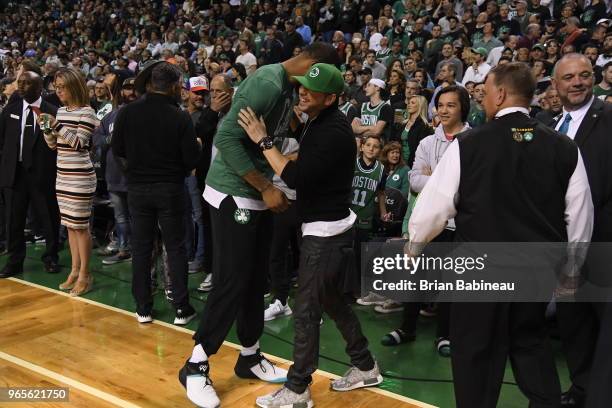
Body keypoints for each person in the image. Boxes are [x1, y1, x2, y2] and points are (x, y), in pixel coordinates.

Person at [407, 62, 593, 408]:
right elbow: (580, 215)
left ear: (501, 93)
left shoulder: (469, 143)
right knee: (531, 346)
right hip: (534, 272)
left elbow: (434, 207)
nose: (483, 99)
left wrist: (413, 245)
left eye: (486, 92)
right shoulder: (565, 147)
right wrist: (570, 268)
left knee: (475, 357)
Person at [178, 43, 340, 408]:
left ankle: (249, 355)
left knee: (254, 280)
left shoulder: (286, 88)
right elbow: (225, 139)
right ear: (312, 64)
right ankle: (195, 364)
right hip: (235, 193)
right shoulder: (267, 82)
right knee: (233, 279)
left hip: (255, 193)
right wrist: (266, 186)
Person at [237, 62, 382, 408]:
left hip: (326, 234)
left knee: (305, 310)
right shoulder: (322, 122)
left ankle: (299, 389)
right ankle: (365, 365)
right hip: (326, 227)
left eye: (310, 90)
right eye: (301, 85)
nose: (302, 91)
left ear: (330, 98)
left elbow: (297, 176)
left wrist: (263, 141)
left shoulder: (333, 132)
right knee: (330, 299)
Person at [111, 61, 200, 325]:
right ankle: (182, 308)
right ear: (173, 87)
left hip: (138, 189)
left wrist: (134, 175)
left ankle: (143, 307)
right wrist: (196, 147)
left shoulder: (127, 112)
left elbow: (118, 151)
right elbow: (191, 160)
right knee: (175, 248)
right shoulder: (179, 116)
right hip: (170, 189)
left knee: (141, 247)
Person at [551, 53, 612, 408]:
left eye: (584, 75)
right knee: (574, 324)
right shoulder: (548, 124)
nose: (577, 82)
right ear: (555, 85)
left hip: (602, 241)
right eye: (569, 77)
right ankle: (582, 388)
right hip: (562, 243)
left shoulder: (608, 118)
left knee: (603, 323)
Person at [39, 67, 99, 296]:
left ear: (74, 86)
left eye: (62, 87)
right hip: (63, 175)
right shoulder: (62, 111)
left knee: (81, 227)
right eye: (57, 87)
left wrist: (55, 126)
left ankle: (85, 274)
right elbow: (54, 146)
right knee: (71, 227)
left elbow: (79, 144)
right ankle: (74, 271)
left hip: (80, 178)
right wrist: (47, 130)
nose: (59, 91)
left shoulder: (87, 112)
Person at [0, 71, 60, 278]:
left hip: (41, 174)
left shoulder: (51, 111)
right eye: (20, 83)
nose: (21, 86)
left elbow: (55, 145)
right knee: (14, 220)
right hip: (15, 174)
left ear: (39, 86)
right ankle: (14, 261)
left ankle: (51, 257)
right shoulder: (11, 110)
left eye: (27, 83)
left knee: (49, 218)